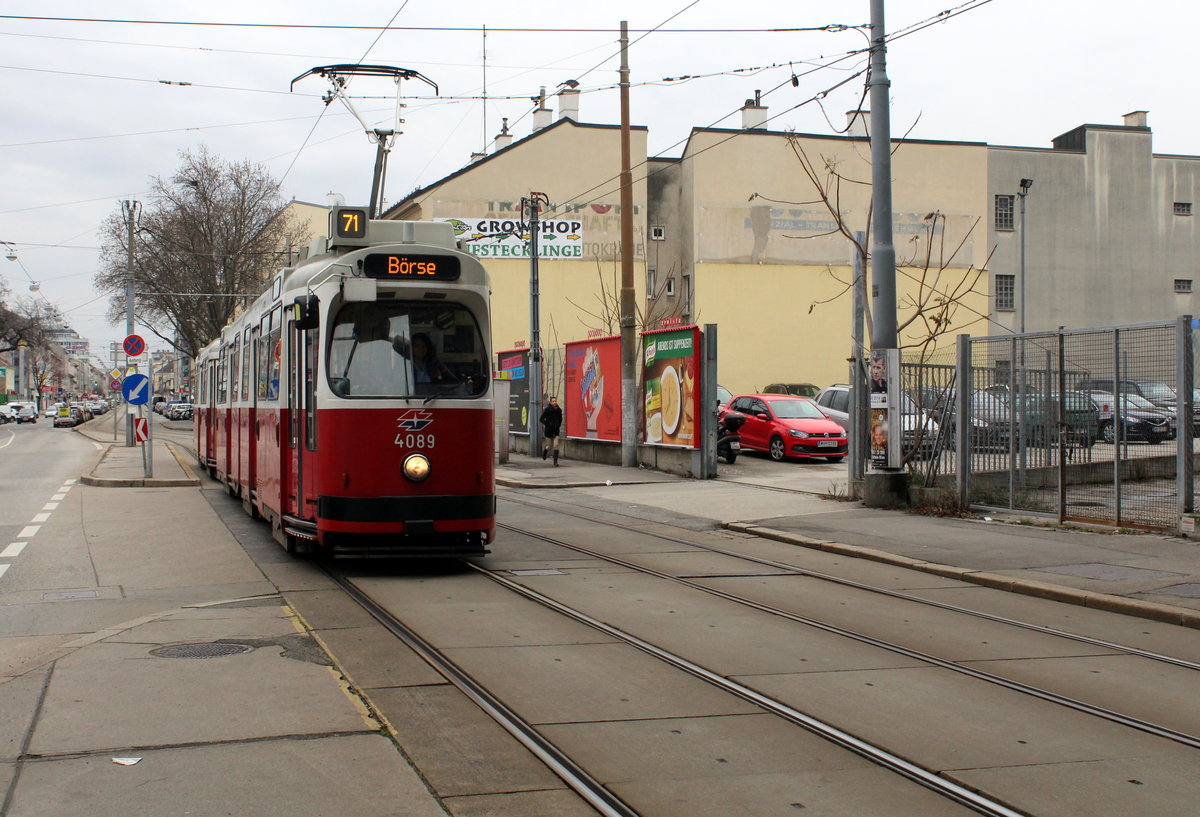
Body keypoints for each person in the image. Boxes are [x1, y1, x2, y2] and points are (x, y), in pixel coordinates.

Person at [540, 395, 563, 465]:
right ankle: (545, 451)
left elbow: (560, 419)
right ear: (550, 402)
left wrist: (558, 425)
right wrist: (547, 424)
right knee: (550, 446)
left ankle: (555, 462)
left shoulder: (559, 410)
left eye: (555, 401)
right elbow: (541, 419)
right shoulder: (547, 410)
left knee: (556, 445)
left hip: (556, 430)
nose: (554, 402)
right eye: (553, 401)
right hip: (548, 431)